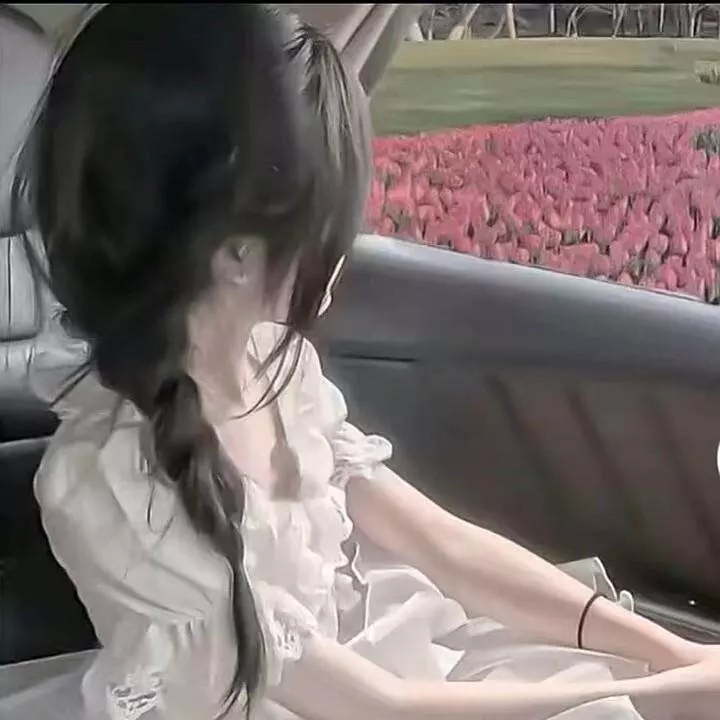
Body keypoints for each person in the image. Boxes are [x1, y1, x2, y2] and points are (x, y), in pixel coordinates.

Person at [3, 4, 720, 720]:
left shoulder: (277, 370)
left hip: (367, 670)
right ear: (236, 250)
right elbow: (378, 707)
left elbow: (444, 545)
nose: (349, 237)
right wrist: (652, 693)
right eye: (329, 216)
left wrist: (675, 654)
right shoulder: (111, 487)